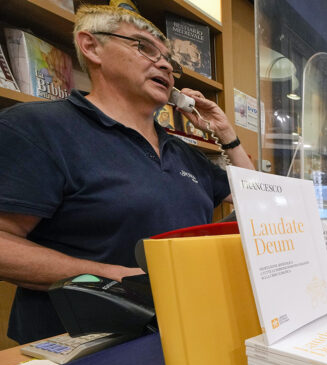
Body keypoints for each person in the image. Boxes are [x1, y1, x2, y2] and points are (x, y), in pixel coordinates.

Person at [0, 4, 254, 344]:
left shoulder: (182, 152)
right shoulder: (37, 127)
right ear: (91, 47)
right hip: (82, 349)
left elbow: (259, 204)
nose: (164, 64)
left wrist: (226, 133)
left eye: (169, 60)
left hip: (183, 332)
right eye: (144, 48)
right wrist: (112, 277)